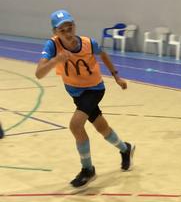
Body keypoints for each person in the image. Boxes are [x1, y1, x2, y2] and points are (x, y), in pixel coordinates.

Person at [35, 10, 135, 188]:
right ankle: (125, 149)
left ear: (74, 26)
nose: (67, 32)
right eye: (62, 30)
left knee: (75, 125)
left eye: (70, 27)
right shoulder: (52, 46)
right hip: (76, 93)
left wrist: (116, 76)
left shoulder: (89, 43)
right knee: (102, 128)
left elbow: (103, 55)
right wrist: (55, 60)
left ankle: (88, 170)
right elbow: (39, 74)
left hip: (94, 89)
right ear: (55, 32)